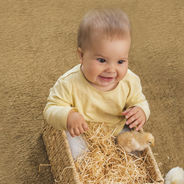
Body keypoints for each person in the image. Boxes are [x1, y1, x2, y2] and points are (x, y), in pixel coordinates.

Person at [43, 9, 150, 139]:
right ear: (82, 56)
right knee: (72, 144)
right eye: (101, 60)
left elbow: (140, 101)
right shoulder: (69, 82)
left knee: (134, 147)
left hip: (117, 131)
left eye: (120, 61)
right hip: (81, 132)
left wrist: (141, 111)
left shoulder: (130, 81)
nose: (111, 69)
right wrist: (68, 116)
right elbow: (51, 109)